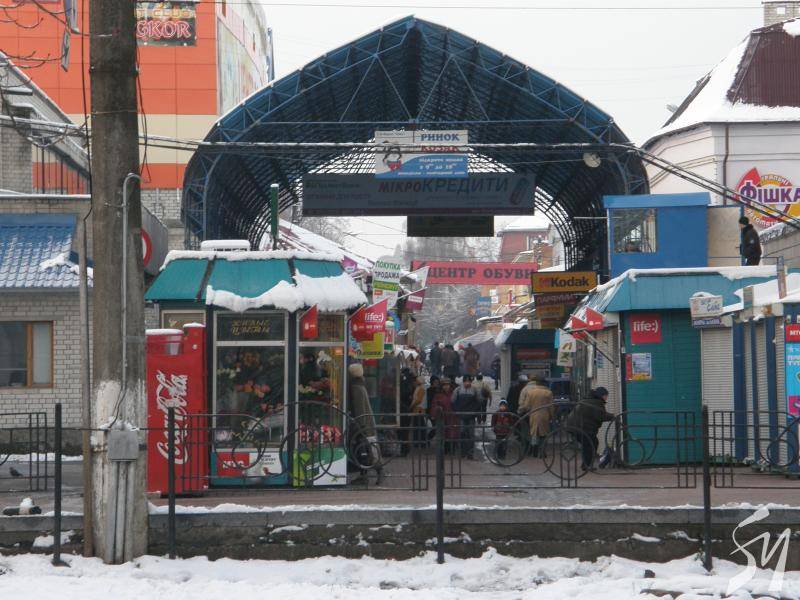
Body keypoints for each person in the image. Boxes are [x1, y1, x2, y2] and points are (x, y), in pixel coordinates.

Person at [347, 363, 382, 484]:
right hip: (366, 423)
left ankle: (378, 471)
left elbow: (360, 408)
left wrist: (360, 425)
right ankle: (365, 475)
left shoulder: (355, 388)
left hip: (364, 425)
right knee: (366, 449)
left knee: (368, 449)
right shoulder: (360, 385)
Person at [564, 387, 615, 471]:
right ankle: (587, 465)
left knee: (588, 444)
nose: (607, 397)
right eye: (606, 395)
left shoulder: (589, 400)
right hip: (581, 428)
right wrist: (613, 416)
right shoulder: (597, 402)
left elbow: (599, 414)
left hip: (574, 426)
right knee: (591, 444)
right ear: (602, 395)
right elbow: (600, 416)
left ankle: (586, 464)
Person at [518, 376, 554, 458]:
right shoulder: (548, 393)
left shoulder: (531, 393)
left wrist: (523, 411)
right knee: (544, 434)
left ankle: (534, 449)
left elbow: (526, 406)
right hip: (544, 415)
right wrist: (552, 416)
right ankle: (542, 451)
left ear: (536, 383)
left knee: (534, 433)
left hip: (533, 415)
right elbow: (551, 407)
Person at [452, 374, 482, 459]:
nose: (467, 383)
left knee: (471, 434)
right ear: (463, 381)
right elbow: (453, 401)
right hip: (461, 416)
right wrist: (457, 411)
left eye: (469, 381)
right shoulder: (458, 390)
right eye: (466, 381)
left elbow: (479, 401)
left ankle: (470, 453)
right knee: (462, 433)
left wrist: (475, 411)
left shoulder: (475, 390)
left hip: (471, 416)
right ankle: (463, 452)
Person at [430, 378, 459, 453]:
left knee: (452, 433)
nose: (446, 387)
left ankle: (452, 449)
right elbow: (434, 405)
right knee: (444, 434)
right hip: (443, 418)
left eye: (448, 385)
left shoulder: (454, 393)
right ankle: (445, 450)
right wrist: (434, 415)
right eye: (444, 385)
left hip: (453, 417)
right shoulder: (438, 395)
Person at [410, 376, 427, 447]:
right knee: (420, 426)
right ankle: (421, 442)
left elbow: (418, 400)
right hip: (419, 409)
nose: (414, 382)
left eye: (416, 381)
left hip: (418, 409)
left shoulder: (421, 389)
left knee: (418, 427)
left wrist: (411, 406)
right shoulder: (421, 388)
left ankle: (419, 442)